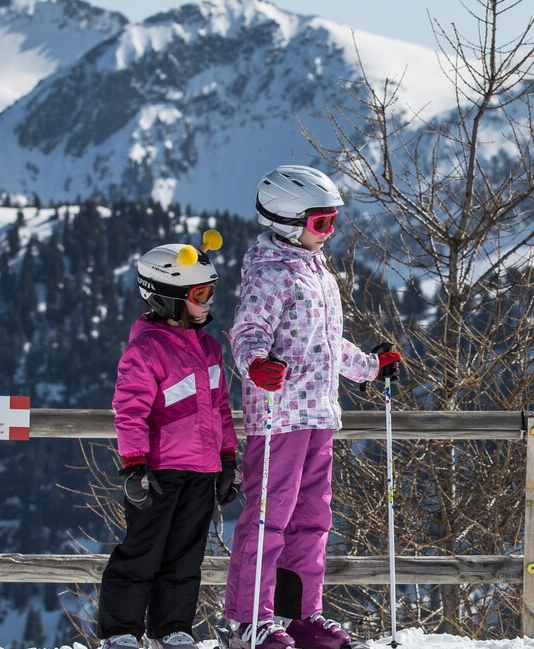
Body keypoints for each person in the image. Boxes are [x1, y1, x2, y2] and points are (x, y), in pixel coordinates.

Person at [221, 165, 403, 649]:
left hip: (320, 413)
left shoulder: (318, 273)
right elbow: (247, 332)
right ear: (285, 220)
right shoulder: (269, 273)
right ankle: (249, 621)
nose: (330, 231)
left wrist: (369, 367)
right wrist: (256, 364)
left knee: (313, 519)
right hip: (278, 416)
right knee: (267, 520)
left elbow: (326, 341)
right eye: (321, 223)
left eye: (333, 221)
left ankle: (298, 615)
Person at [100, 239, 242, 649]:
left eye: (210, 290)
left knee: (185, 555)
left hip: (202, 470)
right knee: (143, 552)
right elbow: (128, 410)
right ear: (167, 298)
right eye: (200, 293)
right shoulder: (146, 349)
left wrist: (227, 459)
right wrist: (134, 465)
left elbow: (220, 408)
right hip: (158, 471)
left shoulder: (211, 348)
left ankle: (172, 628)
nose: (208, 300)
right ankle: (122, 631)